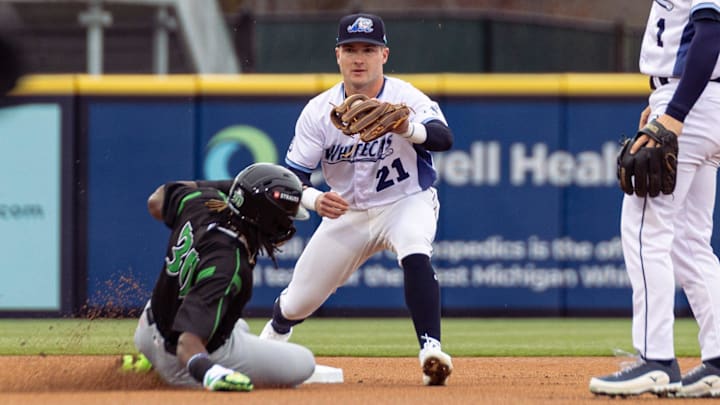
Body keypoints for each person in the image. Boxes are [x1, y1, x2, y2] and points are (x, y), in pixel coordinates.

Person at [258, 13, 455, 386]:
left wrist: (406, 128)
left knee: (415, 247)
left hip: (405, 200)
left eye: (368, 49)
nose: (359, 58)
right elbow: (292, 177)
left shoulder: (405, 97)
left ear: (385, 54)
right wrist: (315, 200)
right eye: (350, 49)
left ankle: (431, 349)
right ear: (337, 55)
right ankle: (271, 340)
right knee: (298, 301)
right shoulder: (318, 111)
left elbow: (443, 139)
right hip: (346, 213)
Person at [589, 1, 720, 398]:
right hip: (697, 100)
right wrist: (661, 103)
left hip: (691, 104)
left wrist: (675, 113)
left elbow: (712, 33)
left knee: (645, 230)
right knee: (690, 241)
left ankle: (657, 359)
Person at [133, 163, 316, 391]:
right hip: (180, 359)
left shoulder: (200, 202)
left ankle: (148, 360)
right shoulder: (228, 262)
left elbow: (155, 202)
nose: (288, 224)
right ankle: (166, 367)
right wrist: (209, 372)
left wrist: (237, 191)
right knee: (304, 362)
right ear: (266, 217)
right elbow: (186, 341)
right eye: (285, 217)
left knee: (240, 327)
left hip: (147, 329)